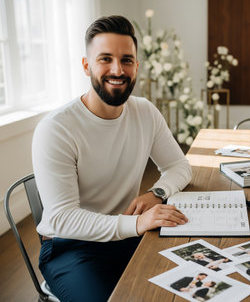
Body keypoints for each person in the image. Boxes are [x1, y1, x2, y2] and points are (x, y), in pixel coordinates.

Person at [32, 15, 192, 301]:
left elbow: (179, 166)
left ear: (137, 67)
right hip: (73, 247)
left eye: (126, 60)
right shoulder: (56, 128)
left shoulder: (145, 112)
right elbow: (61, 217)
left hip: (129, 235)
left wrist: (157, 192)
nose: (117, 70)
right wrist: (135, 224)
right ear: (86, 66)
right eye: (105, 59)